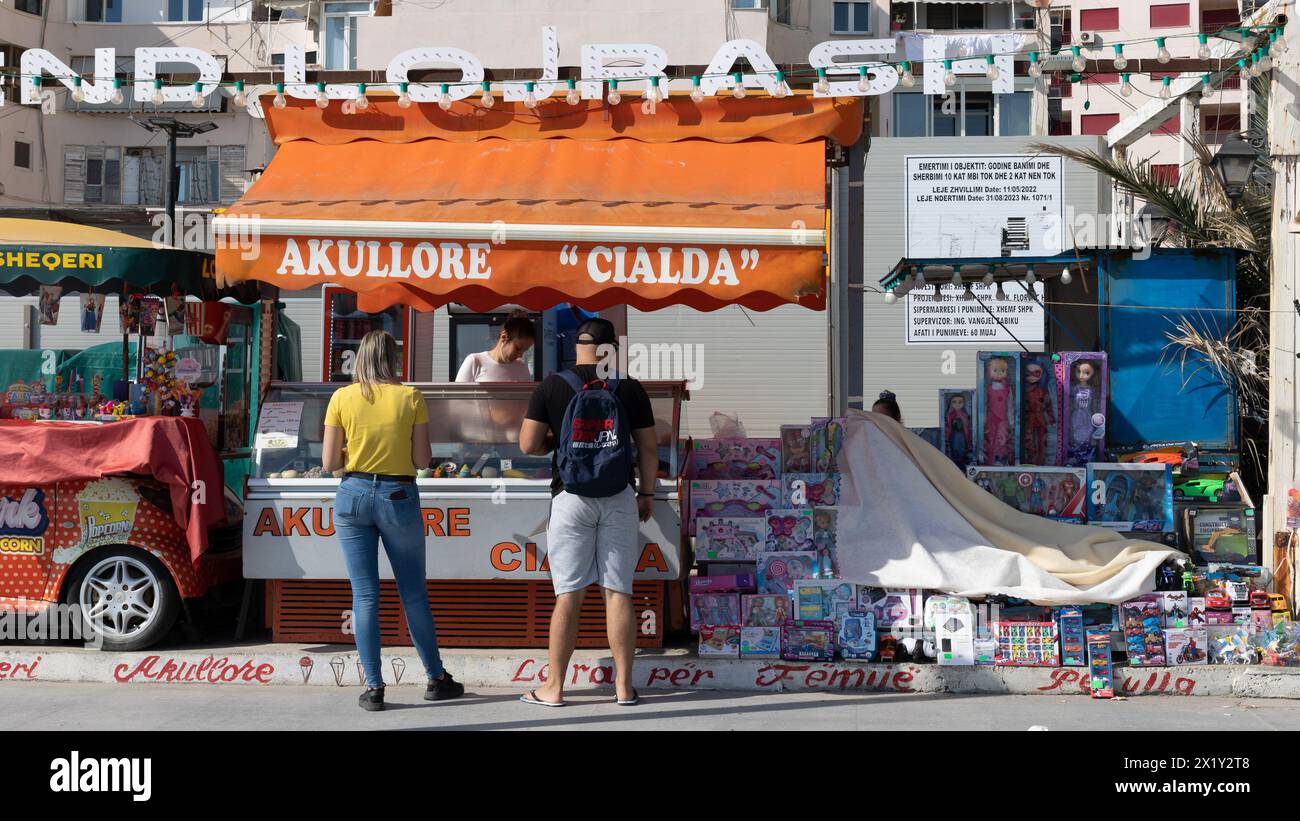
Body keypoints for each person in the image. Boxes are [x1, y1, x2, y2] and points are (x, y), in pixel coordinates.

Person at [517, 318, 658, 707]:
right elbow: (648, 448)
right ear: (611, 348)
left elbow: (527, 444)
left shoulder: (552, 384)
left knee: (568, 596)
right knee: (618, 593)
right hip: (619, 497)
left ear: (573, 345)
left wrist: (563, 440)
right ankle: (625, 688)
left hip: (570, 497)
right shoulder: (628, 387)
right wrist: (646, 493)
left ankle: (554, 688)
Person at [322, 330, 463, 711]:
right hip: (397, 495)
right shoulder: (409, 397)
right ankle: (436, 678)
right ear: (393, 360)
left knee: (364, 595)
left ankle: (373, 687)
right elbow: (421, 460)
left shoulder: (341, 397)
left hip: (351, 495)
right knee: (413, 592)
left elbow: (330, 463)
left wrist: (356, 447)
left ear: (362, 358)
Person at [455, 310, 536, 382]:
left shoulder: (521, 368)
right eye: (517, 348)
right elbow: (457, 397)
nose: (520, 355)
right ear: (504, 336)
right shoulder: (475, 362)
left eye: (524, 351)